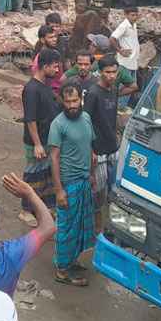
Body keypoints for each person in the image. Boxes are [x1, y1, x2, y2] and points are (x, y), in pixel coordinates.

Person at [48, 82, 96, 287]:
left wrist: (91, 174)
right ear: (62, 102)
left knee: (80, 227)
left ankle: (72, 261)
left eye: (75, 100)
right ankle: (62, 270)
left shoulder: (86, 118)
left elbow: (90, 146)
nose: (72, 105)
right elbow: (54, 158)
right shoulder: (58, 124)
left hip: (85, 181)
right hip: (69, 184)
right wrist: (59, 190)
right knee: (66, 228)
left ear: (81, 99)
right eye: (67, 102)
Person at [20, 48, 62, 222]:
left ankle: (43, 207)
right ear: (45, 67)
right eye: (55, 67)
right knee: (32, 174)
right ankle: (25, 210)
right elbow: (30, 119)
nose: (57, 70)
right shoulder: (31, 89)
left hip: (47, 139)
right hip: (35, 141)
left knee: (45, 174)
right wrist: (37, 144)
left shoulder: (45, 86)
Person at [84, 56, 122, 218]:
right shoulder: (93, 93)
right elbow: (85, 122)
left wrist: (116, 134)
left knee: (114, 185)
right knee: (98, 190)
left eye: (114, 72)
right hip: (97, 149)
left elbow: (112, 115)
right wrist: (90, 149)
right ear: (100, 72)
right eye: (107, 72)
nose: (111, 76)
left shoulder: (114, 89)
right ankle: (94, 222)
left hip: (112, 146)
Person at [111, 6, 140, 87]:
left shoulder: (134, 25)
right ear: (126, 15)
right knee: (125, 87)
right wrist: (120, 51)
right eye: (132, 15)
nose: (135, 17)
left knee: (132, 87)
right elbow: (112, 38)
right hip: (125, 63)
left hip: (132, 61)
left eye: (136, 15)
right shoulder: (124, 26)